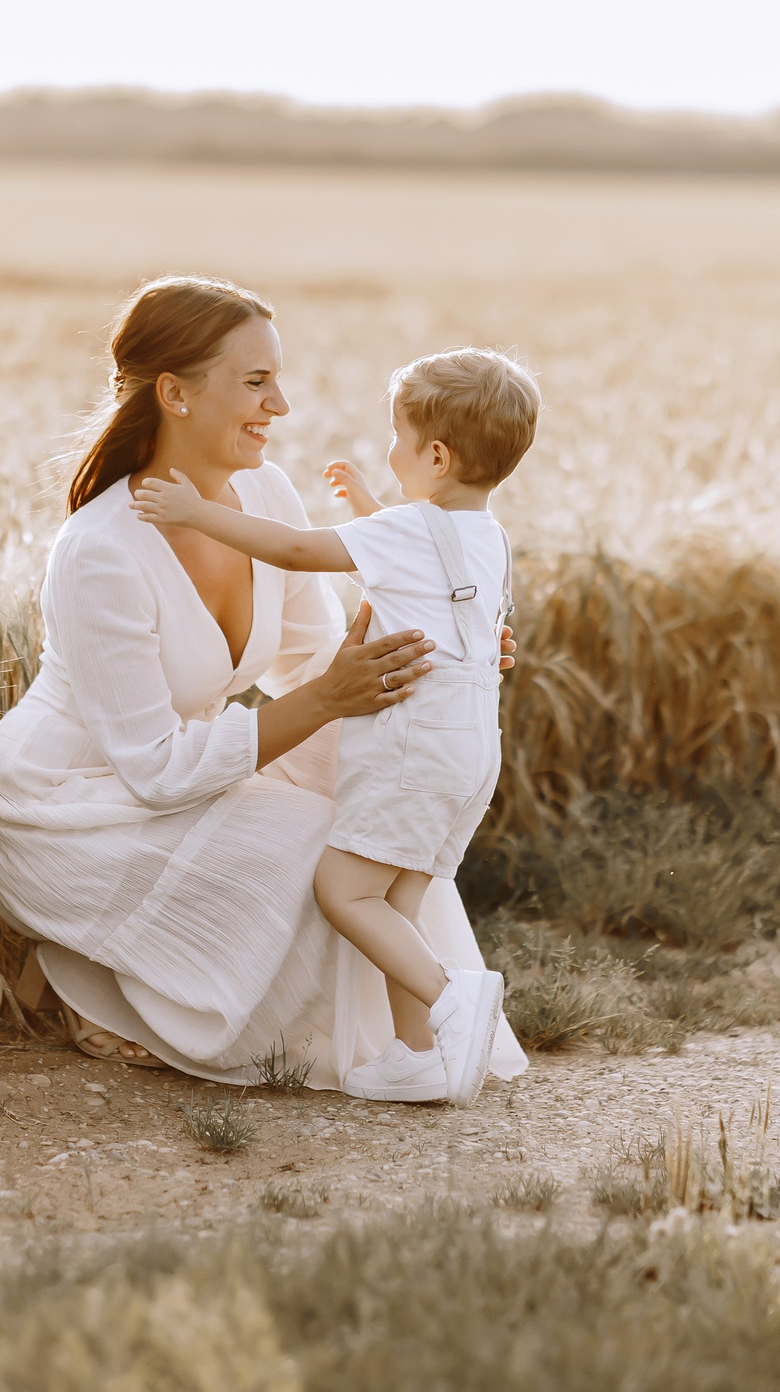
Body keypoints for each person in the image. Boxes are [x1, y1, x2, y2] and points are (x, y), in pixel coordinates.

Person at [0, 276, 528, 1095]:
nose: (283, 406)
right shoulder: (99, 550)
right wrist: (333, 697)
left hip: (191, 771)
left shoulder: (264, 493)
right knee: (319, 858)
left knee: (375, 811)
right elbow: (156, 768)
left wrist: (439, 651)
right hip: (74, 803)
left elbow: (315, 658)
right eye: (258, 382)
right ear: (176, 393)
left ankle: (423, 1045)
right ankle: (91, 974)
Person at [132, 348, 538, 1104]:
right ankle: (416, 1055)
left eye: (399, 439)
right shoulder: (487, 536)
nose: (390, 450)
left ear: (437, 456)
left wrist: (196, 513)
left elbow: (294, 549)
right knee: (401, 901)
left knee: (345, 891)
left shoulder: (408, 531)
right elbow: (419, 569)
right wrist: (369, 509)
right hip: (474, 747)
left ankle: (451, 996)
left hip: (413, 747)